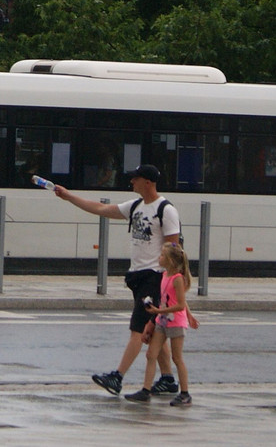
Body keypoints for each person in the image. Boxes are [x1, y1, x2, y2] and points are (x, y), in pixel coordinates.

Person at [52, 164, 184, 397]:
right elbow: (101, 208)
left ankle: (117, 377)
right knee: (154, 330)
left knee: (138, 329)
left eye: (136, 178)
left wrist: (172, 284)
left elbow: (175, 250)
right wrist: (69, 196)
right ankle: (167, 379)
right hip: (138, 276)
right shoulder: (135, 206)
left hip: (154, 277)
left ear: (148, 182)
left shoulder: (166, 210)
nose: (131, 182)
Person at [124, 242, 194, 407]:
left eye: (162, 255)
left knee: (177, 358)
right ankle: (145, 390)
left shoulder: (178, 279)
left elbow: (181, 305)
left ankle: (185, 393)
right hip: (162, 321)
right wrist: (153, 320)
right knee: (150, 354)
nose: (159, 258)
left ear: (169, 260)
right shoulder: (164, 276)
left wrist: (158, 312)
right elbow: (166, 300)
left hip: (175, 322)